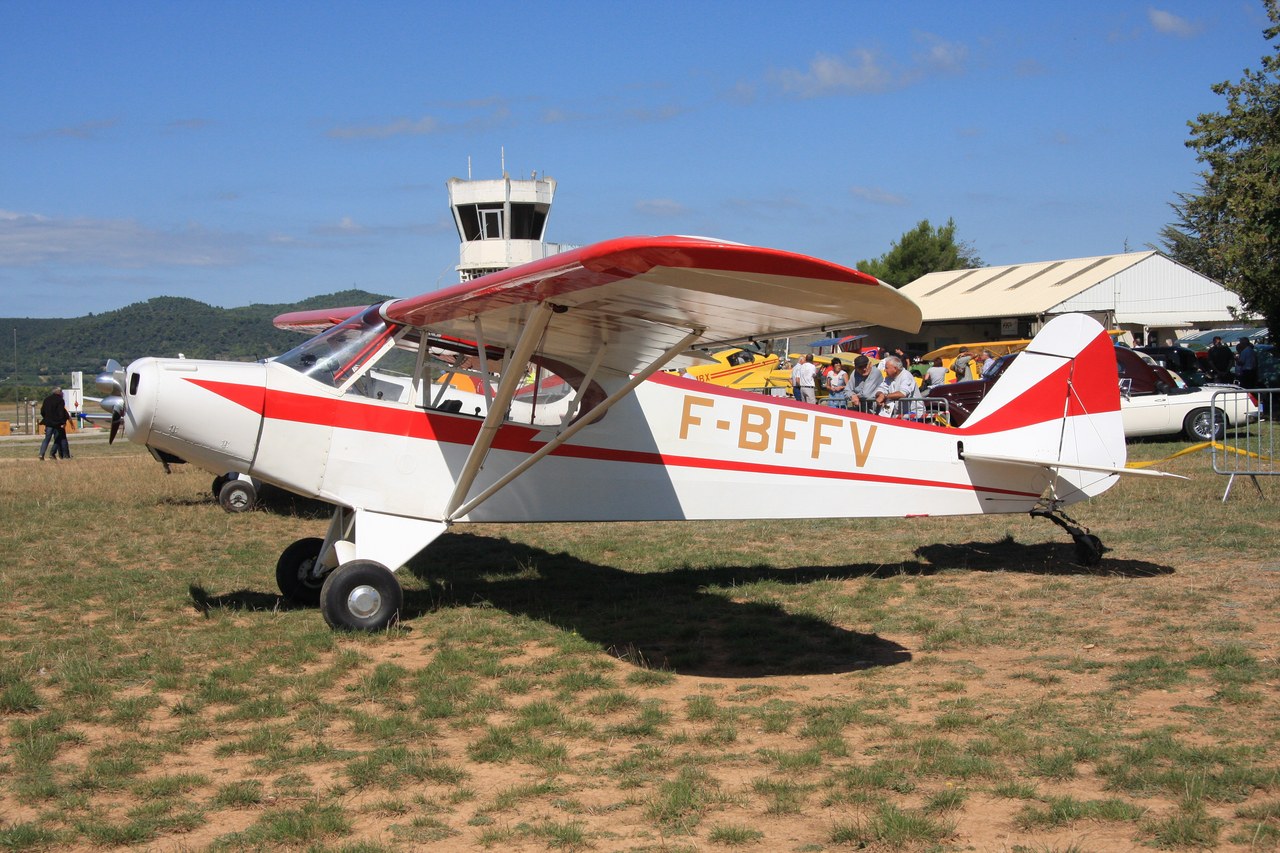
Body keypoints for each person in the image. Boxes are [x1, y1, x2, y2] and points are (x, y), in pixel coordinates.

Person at [38, 387, 73, 461]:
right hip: (57, 423)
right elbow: (61, 412)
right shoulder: (60, 400)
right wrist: (62, 422)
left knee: (47, 438)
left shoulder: (47, 399)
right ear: (59, 392)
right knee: (57, 439)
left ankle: (41, 454)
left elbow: (42, 411)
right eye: (61, 392)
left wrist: (47, 418)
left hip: (48, 422)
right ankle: (51, 454)